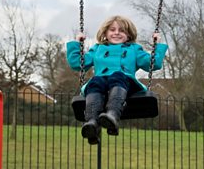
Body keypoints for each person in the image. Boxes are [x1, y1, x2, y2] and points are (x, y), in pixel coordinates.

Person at [66, 15, 168, 144]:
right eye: (112, 30)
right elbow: (77, 63)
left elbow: (153, 64)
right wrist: (77, 43)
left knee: (117, 75)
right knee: (95, 81)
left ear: (129, 34)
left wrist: (157, 45)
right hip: (101, 84)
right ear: (105, 33)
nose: (116, 33)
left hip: (126, 83)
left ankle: (112, 115)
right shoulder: (98, 49)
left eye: (122, 30)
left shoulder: (134, 49)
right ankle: (92, 122)